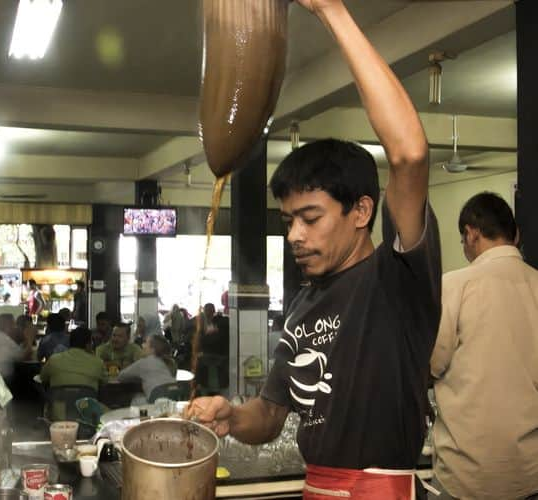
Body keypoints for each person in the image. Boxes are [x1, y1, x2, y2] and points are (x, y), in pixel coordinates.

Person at [188, 1, 440, 497]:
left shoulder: (396, 280)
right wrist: (231, 416)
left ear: (361, 212)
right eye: (288, 222)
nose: (295, 236)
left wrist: (332, 12)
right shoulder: (303, 306)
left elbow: (409, 154)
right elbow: (271, 416)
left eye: (311, 218)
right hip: (316, 488)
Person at [429, 192, 538, 500]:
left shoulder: (455, 285)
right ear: (515, 235)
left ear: (471, 233)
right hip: (529, 473)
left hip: (466, 476)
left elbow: (431, 365)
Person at [40, 326, 107, 391]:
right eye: (91, 342)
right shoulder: (98, 363)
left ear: (70, 342)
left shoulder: (53, 360)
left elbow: (42, 377)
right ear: (88, 345)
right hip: (86, 402)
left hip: (59, 402)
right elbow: (105, 382)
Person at [117, 334, 177, 403]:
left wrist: (137, 377)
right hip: (175, 393)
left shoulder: (143, 362)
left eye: (145, 343)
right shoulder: (169, 362)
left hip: (158, 396)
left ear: (152, 349)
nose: (142, 345)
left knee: (136, 399)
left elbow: (121, 376)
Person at [0, 313, 34, 384]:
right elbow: (25, 356)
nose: (15, 327)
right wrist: (30, 337)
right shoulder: (4, 340)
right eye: (13, 324)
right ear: (8, 326)